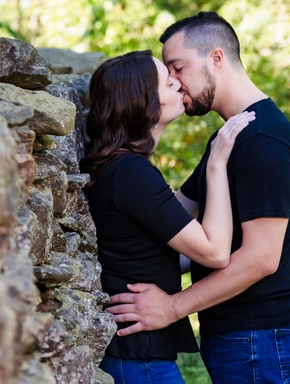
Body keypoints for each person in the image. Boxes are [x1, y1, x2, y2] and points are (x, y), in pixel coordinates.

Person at [106, 12, 290, 384]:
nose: (174, 82)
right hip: (242, 335)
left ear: (215, 58)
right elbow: (173, 219)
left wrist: (173, 307)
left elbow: (261, 259)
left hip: (262, 335)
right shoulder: (228, 139)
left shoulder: (261, 141)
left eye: (178, 68)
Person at [81, 50, 255, 384]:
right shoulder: (130, 172)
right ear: (144, 102)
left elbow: (172, 246)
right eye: (166, 80)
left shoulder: (124, 169)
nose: (177, 82)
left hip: (140, 356)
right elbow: (214, 252)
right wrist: (216, 164)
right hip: (139, 360)